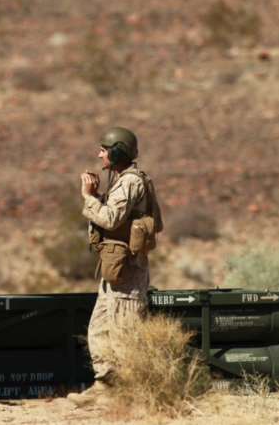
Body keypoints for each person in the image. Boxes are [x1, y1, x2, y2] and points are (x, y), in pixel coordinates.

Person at [67, 127, 162, 407]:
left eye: (104, 151)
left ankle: (133, 394)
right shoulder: (120, 181)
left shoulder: (130, 182)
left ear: (118, 153)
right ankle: (105, 386)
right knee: (99, 330)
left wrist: (88, 197)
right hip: (115, 270)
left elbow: (110, 219)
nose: (99, 155)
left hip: (128, 272)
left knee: (124, 334)